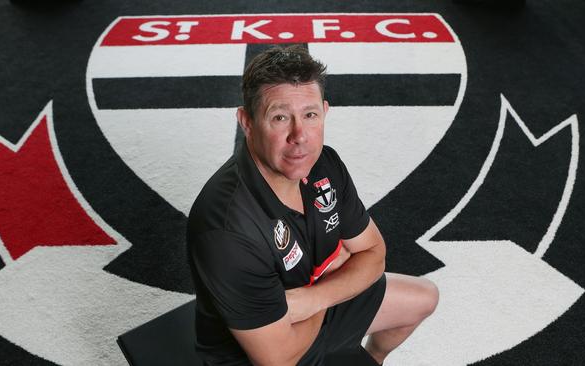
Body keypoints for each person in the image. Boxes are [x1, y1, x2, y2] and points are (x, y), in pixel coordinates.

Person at [187, 44, 439, 366]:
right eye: (280, 117)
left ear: (325, 111)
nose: (300, 136)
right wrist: (334, 268)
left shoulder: (324, 165)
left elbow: (373, 254)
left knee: (424, 297)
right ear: (246, 122)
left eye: (310, 115)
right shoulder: (226, 230)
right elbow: (278, 359)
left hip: (306, 304)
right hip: (260, 351)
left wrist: (314, 296)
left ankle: (371, 359)